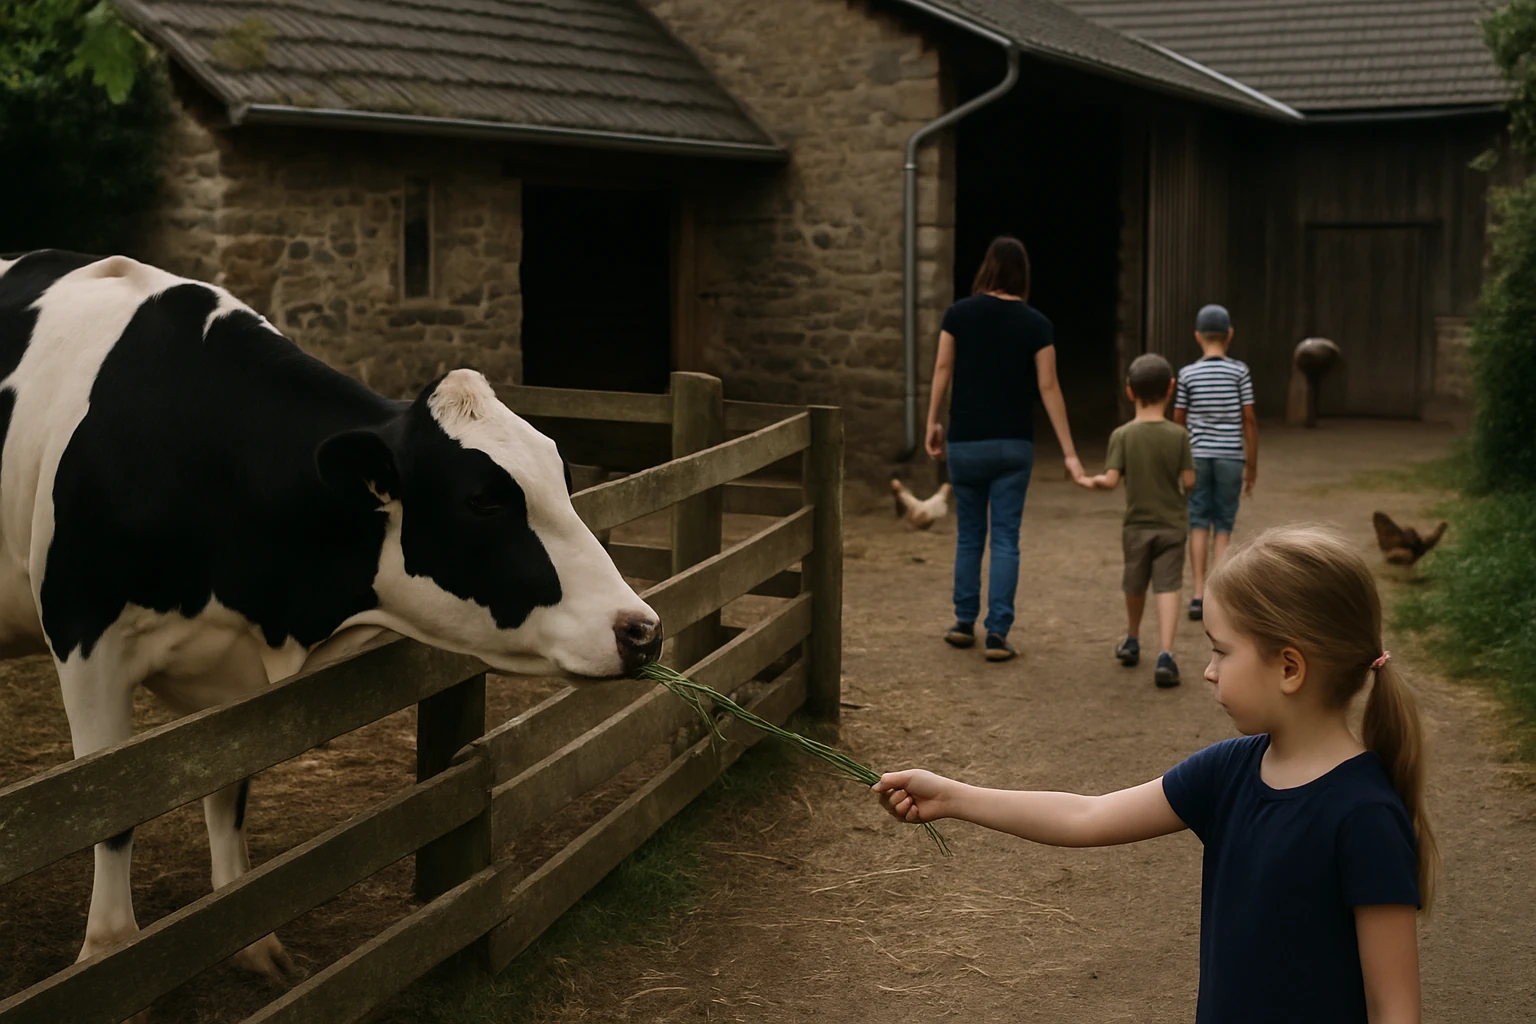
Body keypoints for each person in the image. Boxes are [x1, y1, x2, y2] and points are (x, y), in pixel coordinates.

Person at [873, 527, 1436, 1024]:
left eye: (1221, 651)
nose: (1209, 672)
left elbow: (1395, 1009)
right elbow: (1087, 815)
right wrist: (953, 796)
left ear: (1289, 667)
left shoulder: (1365, 816)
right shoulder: (1228, 770)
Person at [924, 236, 1084, 663]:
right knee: (1006, 538)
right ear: (1022, 274)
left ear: (987, 268)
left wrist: (932, 421)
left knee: (969, 535)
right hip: (1014, 445)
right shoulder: (1037, 324)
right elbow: (1049, 387)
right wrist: (1069, 451)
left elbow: (943, 368)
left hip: (966, 442)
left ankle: (962, 622)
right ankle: (997, 633)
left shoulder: (958, 314)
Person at [1077, 353, 1195, 687]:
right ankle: (1166, 654)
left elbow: (1110, 480)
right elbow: (1189, 481)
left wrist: (1089, 481)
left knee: (1135, 583)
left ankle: (1132, 639)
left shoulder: (1122, 435)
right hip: (1171, 524)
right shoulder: (1179, 436)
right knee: (1168, 586)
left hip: (1136, 526)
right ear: (1171, 389)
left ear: (1130, 392)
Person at [1174, 305, 1257, 622]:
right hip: (1230, 458)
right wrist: (1252, 465)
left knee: (1197, 522)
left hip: (1196, 458)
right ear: (1230, 335)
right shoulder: (1240, 372)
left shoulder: (1187, 374)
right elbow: (1249, 419)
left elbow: (1178, 420)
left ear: (1197, 336)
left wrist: (1180, 463)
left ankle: (1196, 594)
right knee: (1223, 525)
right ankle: (1215, 594)